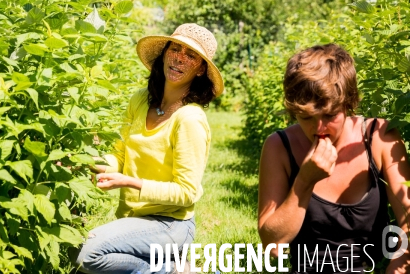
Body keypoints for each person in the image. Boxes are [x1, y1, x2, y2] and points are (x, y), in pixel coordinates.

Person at [73, 23, 224, 274]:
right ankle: (170, 267)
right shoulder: (140, 100)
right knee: (74, 248)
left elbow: (187, 192)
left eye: (191, 55)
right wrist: (83, 160)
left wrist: (130, 182)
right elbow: (119, 155)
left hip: (170, 224)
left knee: (90, 254)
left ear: (200, 70)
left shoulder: (189, 119)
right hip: (133, 219)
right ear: (164, 53)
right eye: (175, 49)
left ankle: (172, 271)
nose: (179, 58)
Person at [258, 44, 410, 274]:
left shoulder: (378, 136)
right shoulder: (279, 146)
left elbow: (408, 220)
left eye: (330, 115)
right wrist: (304, 182)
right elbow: (272, 243)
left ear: (349, 103)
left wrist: (400, 260)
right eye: (306, 117)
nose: (319, 128)